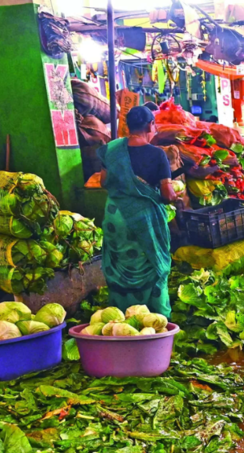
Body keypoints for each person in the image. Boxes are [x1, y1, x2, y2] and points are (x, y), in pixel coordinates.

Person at [97, 106, 177, 317]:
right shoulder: (157, 154)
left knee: (119, 263)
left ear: (126, 126)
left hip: (115, 217)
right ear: (151, 125)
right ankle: (156, 315)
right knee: (152, 264)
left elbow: (103, 181)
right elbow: (168, 195)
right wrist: (168, 196)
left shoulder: (111, 149)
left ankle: (121, 314)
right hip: (143, 221)